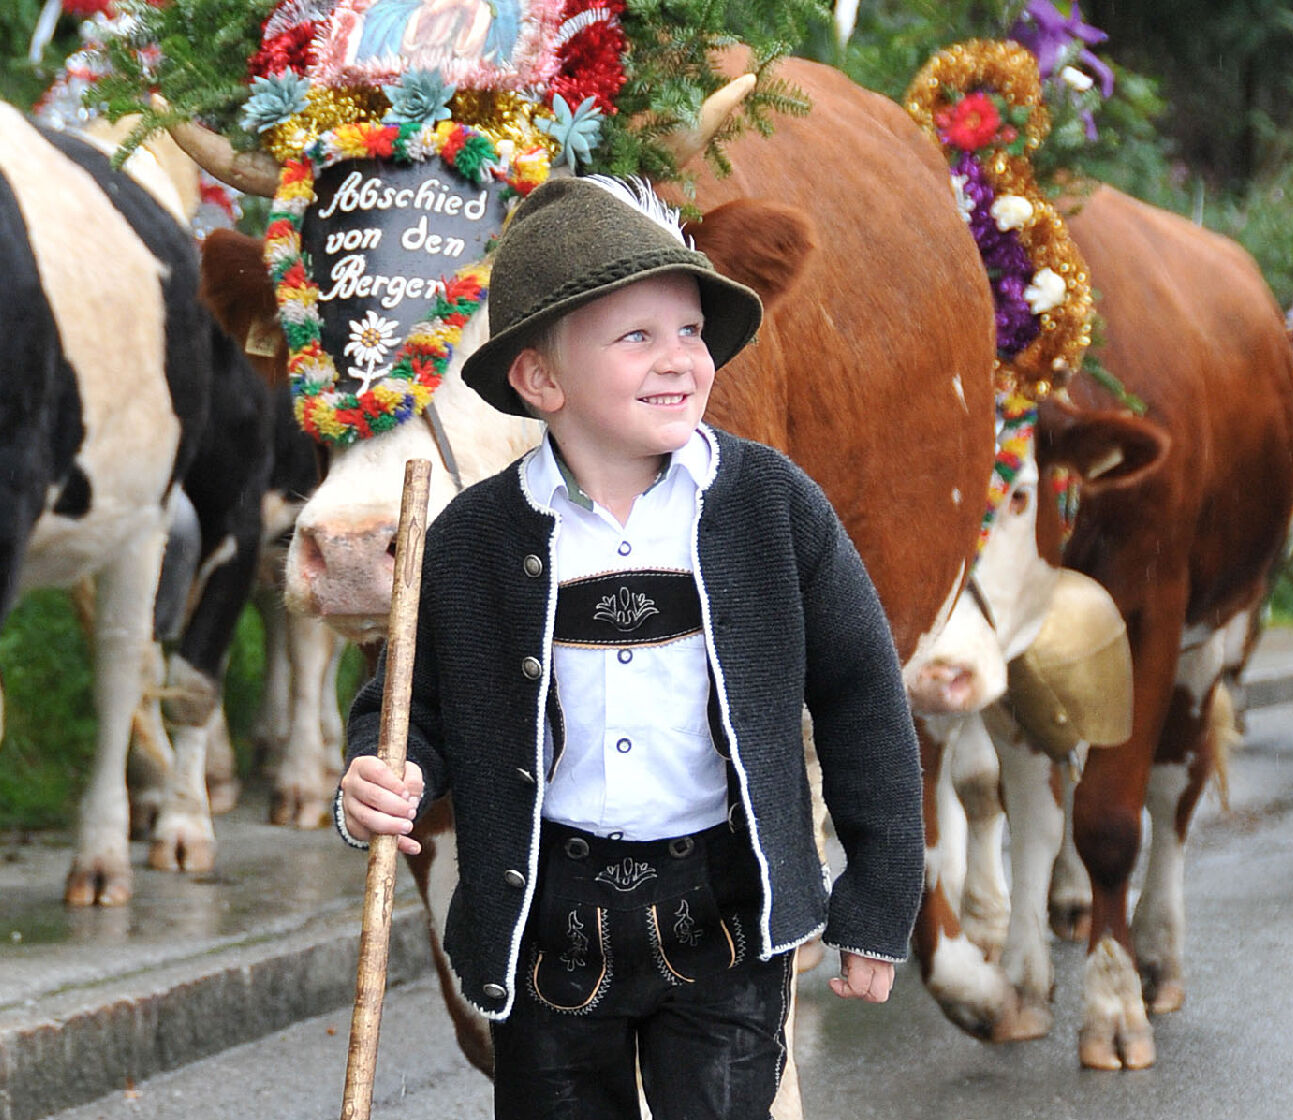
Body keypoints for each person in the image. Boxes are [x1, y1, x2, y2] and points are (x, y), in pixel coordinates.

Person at [335, 175, 924, 1120]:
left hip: (724, 917)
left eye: (690, 331)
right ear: (540, 379)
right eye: (636, 337)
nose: (679, 359)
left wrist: (881, 890)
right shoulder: (476, 538)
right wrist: (379, 769)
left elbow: (862, 697)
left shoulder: (771, 507)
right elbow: (414, 704)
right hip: (547, 927)